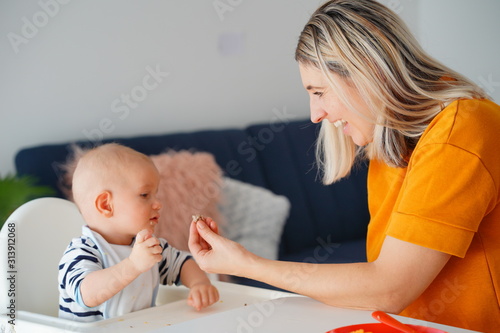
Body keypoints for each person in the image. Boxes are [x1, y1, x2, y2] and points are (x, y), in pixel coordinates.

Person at [188, 0, 500, 331]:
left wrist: (247, 264)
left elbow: (390, 287)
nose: (314, 114)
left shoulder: (461, 131)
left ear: (368, 70)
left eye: (319, 92)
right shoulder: (389, 143)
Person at [58, 143, 219, 322]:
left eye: (155, 194)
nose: (158, 204)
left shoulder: (149, 245)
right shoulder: (82, 251)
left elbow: (182, 264)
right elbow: (86, 295)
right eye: (144, 195)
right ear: (106, 205)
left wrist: (199, 284)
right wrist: (133, 265)